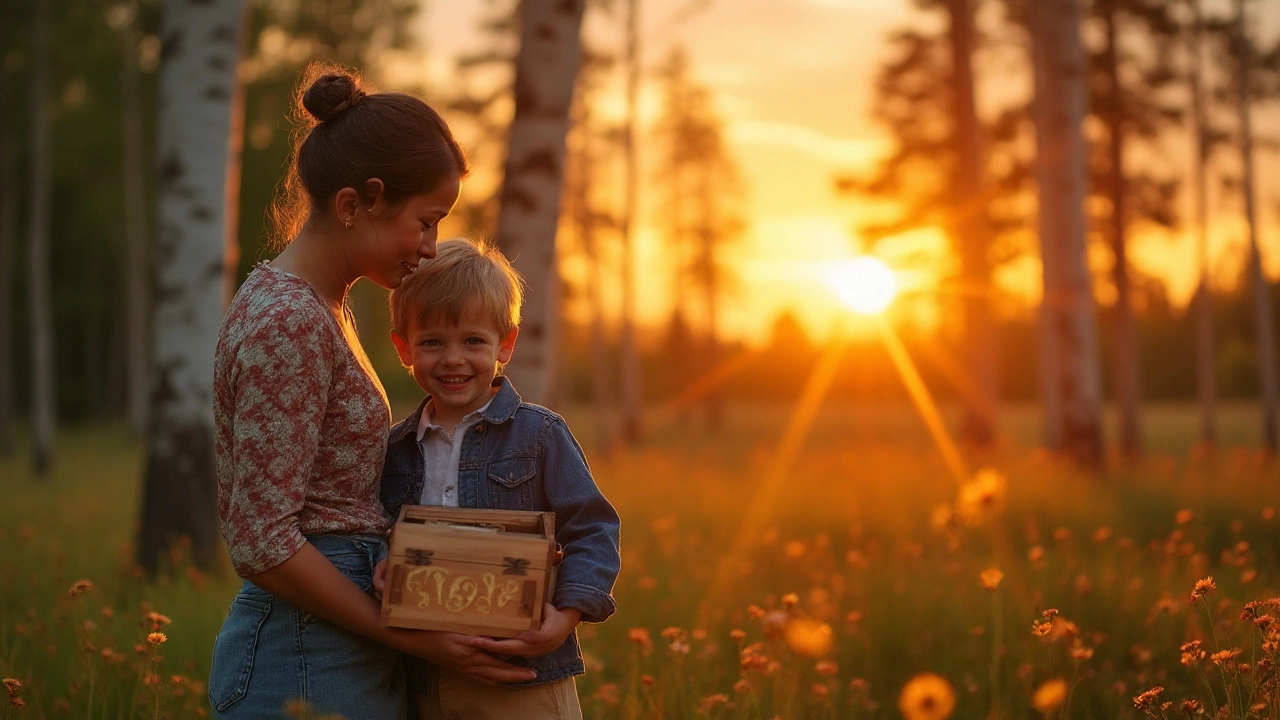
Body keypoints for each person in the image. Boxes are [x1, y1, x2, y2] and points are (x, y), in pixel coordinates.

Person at [208, 66, 535, 720]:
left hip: (331, 646)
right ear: (359, 202)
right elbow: (262, 541)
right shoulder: (290, 325)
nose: (431, 246)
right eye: (425, 221)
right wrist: (413, 636)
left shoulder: (319, 308)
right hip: (303, 659)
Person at [380, 237, 622, 720]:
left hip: (525, 676)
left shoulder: (540, 434)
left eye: (473, 341)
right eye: (432, 342)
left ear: (506, 343)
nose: (453, 359)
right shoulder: (394, 448)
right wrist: (382, 563)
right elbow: (376, 531)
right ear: (404, 347)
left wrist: (566, 615)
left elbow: (593, 528)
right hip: (425, 677)